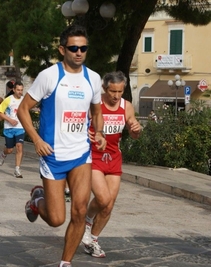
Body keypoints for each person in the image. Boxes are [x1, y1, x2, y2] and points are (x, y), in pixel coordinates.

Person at [17, 25, 106, 267]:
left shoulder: (94, 78)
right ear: (62, 49)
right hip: (53, 155)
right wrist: (36, 139)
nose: (79, 52)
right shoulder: (49, 76)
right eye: (74, 48)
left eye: (83, 48)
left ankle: (65, 263)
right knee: (57, 219)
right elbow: (23, 109)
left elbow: (97, 112)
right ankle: (37, 201)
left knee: (78, 212)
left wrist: (98, 132)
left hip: (81, 155)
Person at [81, 71, 142, 258]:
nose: (116, 96)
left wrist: (136, 129)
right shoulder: (94, 104)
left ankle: (93, 240)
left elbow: (133, 131)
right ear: (105, 88)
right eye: (113, 91)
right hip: (94, 156)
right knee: (103, 198)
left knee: (109, 206)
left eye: (120, 91)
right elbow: (78, 124)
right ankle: (88, 220)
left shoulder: (126, 106)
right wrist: (85, 134)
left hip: (114, 157)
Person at [0, 81, 25, 178]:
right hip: (9, 128)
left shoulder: (24, 100)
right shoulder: (8, 100)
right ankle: (4, 154)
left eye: (21, 90)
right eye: (18, 90)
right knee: (9, 150)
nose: (20, 92)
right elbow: (0, 112)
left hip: (20, 127)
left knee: (19, 146)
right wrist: (10, 120)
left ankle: (17, 169)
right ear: (13, 90)